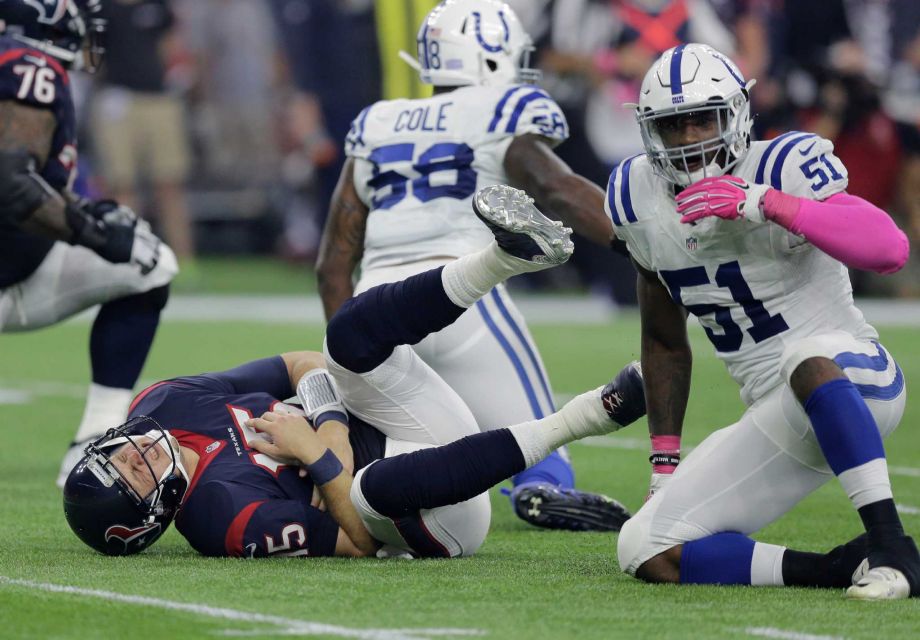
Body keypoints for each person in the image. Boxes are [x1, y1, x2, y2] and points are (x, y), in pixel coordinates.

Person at [63, 186, 645, 559]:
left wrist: (329, 428)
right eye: (131, 479)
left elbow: (300, 363)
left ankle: (506, 258)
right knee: (373, 492)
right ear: (151, 515)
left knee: (343, 338)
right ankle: (591, 414)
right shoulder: (221, 518)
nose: (132, 457)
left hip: (397, 424)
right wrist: (315, 458)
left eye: (114, 456)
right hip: (438, 518)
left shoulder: (162, 402)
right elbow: (357, 541)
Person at [608, 43, 918, 600]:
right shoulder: (635, 197)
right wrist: (664, 464)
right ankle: (840, 567)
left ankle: (894, 548)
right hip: (778, 411)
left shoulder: (782, 164)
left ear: (737, 114)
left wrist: (765, 202)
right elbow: (662, 338)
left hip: (856, 379)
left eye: (704, 119)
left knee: (802, 356)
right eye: (673, 125)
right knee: (645, 548)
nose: (689, 139)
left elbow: (889, 248)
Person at [317, 0, 619, 531]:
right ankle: (540, 489)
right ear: (493, 57)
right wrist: (636, 240)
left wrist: (349, 353)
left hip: (377, 308)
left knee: (399, 440)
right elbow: (557, 189)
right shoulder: (504, 110)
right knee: (540, 451)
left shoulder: (378, 121)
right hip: (462, 295)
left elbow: (333, 261)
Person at [0, 0, 178, 487]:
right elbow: (13, 184)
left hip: (28, 264)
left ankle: (94, 436)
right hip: (21, 266)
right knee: (140, 255)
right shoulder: (28, 64)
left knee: (148, 262)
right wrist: (96, 233)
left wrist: (82, 213)